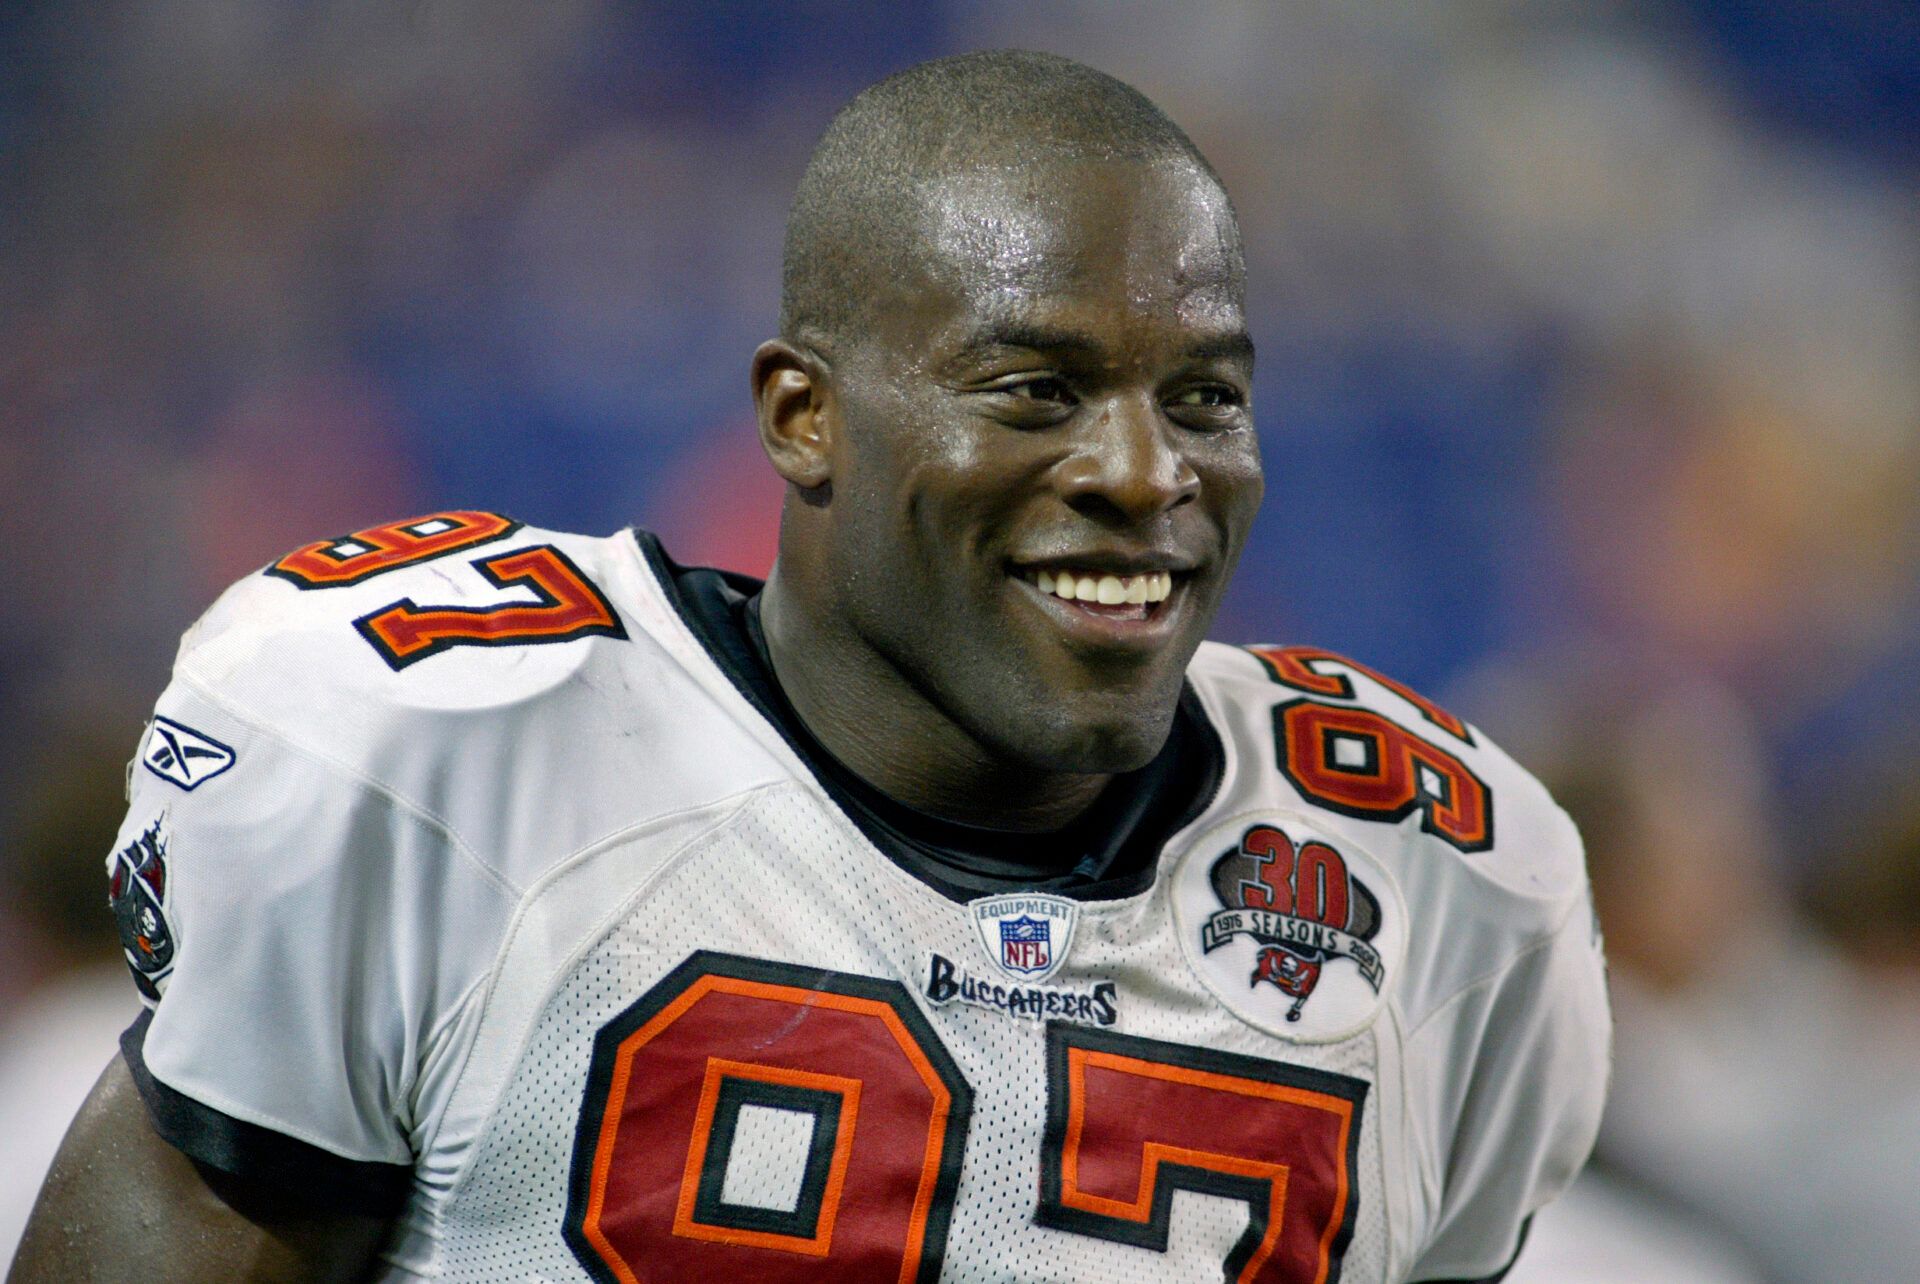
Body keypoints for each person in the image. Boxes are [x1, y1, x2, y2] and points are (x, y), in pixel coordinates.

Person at [12, 50, 1608, 1283]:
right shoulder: (449, 753)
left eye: (1204, 398)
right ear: (802, 415)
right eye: (1037, 388)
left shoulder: (1437, 881)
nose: (1145, 469)